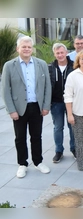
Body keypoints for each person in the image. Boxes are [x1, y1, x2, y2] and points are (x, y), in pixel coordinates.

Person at [1, 36, 52, 178]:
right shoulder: (9, 66)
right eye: (24, 46)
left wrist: (46, 105)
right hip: (19, 108)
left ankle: (38, 161)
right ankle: (22, 164)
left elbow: (47, 86)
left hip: (36, 107)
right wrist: (11, 110)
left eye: (29, 47)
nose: (27, 49)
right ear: (18, 49)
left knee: (36, 136)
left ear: (32, 49)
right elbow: (5, 90)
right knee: (20, 137)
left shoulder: (41, 64)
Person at [49, 43, 76, 163]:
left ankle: (74, 148)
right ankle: (58, 151)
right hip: (56, 103)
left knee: (73, 127)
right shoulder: (50, 67)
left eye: (62, 52)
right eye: (57, 53)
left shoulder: (74, 66)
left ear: (66, 53)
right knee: (58, 127)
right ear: (54, 54)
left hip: (72, 102)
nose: (60, 55)